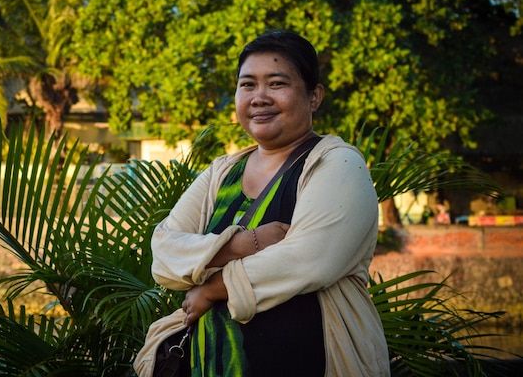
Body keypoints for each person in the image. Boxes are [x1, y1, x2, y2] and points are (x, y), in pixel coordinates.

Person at [151, 30, 390, 376]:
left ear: (313, 97)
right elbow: (163, 252)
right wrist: (240, 245)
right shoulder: (222, 173)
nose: (259, 97)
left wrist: (212, 288)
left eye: (276, 84)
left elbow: (308, 260)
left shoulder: (337, 164)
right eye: (247, 85)